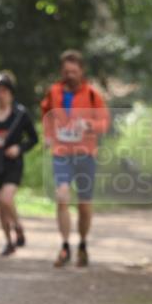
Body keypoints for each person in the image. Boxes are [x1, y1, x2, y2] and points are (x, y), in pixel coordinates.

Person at [40, 50, 110, 268]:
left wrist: (89, 125)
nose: (69, 75)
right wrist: (49, 136)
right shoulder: (54, 91)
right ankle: (64, 246)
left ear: (81, 71)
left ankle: (82, 244)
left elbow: (104, 123)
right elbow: (46, 115)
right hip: (61, 153)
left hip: (85, 154)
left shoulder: (92, 94)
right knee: (62, 196)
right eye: (66, 71)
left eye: (74, 71)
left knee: (84, 205)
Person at [0, 71, 38, 256]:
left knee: (6, 199)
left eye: (4, 90)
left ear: (10, 92)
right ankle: (9, 242)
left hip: (13, 164)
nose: (0, 94)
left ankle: (18, 226)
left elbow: (34, 139)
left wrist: (19, 149)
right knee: (0, 206)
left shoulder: (20, 114)